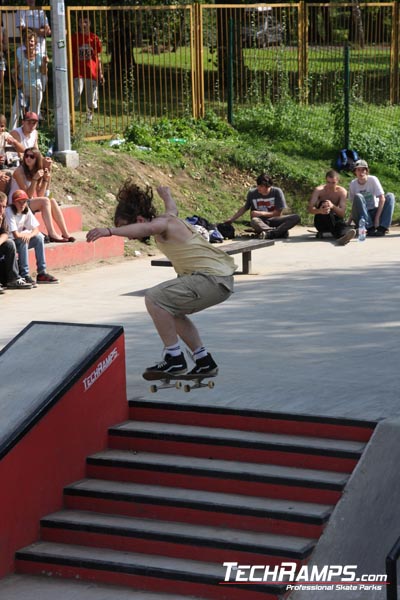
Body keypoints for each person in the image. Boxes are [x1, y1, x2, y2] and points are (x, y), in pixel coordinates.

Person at [86, 181, 236, 376]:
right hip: (218, 280)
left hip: (210, 279)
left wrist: (109, 231)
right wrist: (166, 195)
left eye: (125, 229)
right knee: (171, 311)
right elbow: (172, 208)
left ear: (139, 220)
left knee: (155, 298)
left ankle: (174, 359)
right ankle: (204, 360)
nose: (128, 236)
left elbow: (146, 229)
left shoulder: (160, 224)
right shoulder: (168, 218)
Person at [9, 146, 75, 243]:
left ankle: (65, 233)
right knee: (45, 201)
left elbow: (40, 193)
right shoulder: (19, 171)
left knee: (51, 200)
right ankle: (52, 233)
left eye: (32, 157)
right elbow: (28, 195)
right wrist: (35, 179)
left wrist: (45, 179)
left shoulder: (36, 170)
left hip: (27, 202)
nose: (28, 158)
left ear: (37, 159)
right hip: (17, 203)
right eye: (26, 156)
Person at [5, 189, 58, 285]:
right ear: (14, 203)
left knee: (39, 238)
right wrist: (26, 236)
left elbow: (36, 229)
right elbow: (16, 234)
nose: (22, 204)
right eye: (19, 202)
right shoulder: (9, 211)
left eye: (24, 202)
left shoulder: (26, 209)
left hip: (20, 238)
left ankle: (42, 273)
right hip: (10, 242)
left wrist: (29, 235)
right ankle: (24, 274)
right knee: (23, 240)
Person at [225, 173, 300, 239]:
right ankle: (278, 232)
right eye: (258, 185)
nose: (258, 188)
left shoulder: (277, 192)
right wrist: (232, 219)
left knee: (296, 217)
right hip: (260, 222)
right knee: (254, 221)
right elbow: (245, 208)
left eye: (261, 186)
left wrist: (260, 213)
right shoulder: (252, 193)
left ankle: (272, 233)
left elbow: (277, 213)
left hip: (275, 220)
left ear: (267, 186)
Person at [10, 30, 48, 130]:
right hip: (22, 87)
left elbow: (44, 72)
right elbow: (14, 70)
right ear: (24, 43)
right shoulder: (20, 53)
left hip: (36, 87)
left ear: (35, 43)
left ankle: (32, 134)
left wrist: (44, 63)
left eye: (32, 41)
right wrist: (16, 82)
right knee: (15, 111)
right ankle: (11, 135)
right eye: (27, 40)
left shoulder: (40, 55)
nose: (30, 43)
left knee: (35, 113)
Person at [308, 169, 356, 245]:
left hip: (335, 219)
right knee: (325, 203)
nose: (330, 185)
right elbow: (310, 209)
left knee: (339, 221)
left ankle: (344, 234)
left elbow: (342, 214)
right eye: (328, 182)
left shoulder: (341, 192)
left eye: (333, 183)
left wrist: (333, 206)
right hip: (321, 221)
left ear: (338, 181)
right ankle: (341, 235)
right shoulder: (319, 190)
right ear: (325, 181)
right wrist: (320, 211)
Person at [349, 160, 395, 237]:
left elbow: (382, 198)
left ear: (367, 171)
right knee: (358, 196)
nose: (361, 172)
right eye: (358, 170)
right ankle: (369, 228)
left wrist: (377, 218)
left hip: (374, 211)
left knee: (390, 196)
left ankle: (382, 228)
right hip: (361, 216)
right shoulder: (353, 184)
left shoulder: (373, 179)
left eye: (363, 169)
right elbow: (354, 205)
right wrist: (348, 222)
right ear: (355, 172)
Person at [71, 16, 104, 123]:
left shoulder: (95, 38)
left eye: (86, 22)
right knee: (76, 91)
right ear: (79, 24)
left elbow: (98, 57)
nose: (84, 24)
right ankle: (70, 114)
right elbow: (69, 54)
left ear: (89, 24)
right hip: (78, 71)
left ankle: (89, 117)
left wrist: (100, 73)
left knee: (91, 96)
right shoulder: (74, 37)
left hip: (91, 71)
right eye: (81, 22)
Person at [0, 191, 33, 291]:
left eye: (4, 207)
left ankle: (13, 279)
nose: (1, 210)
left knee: (10, 244)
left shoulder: (3, 215)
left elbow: (5, 233)